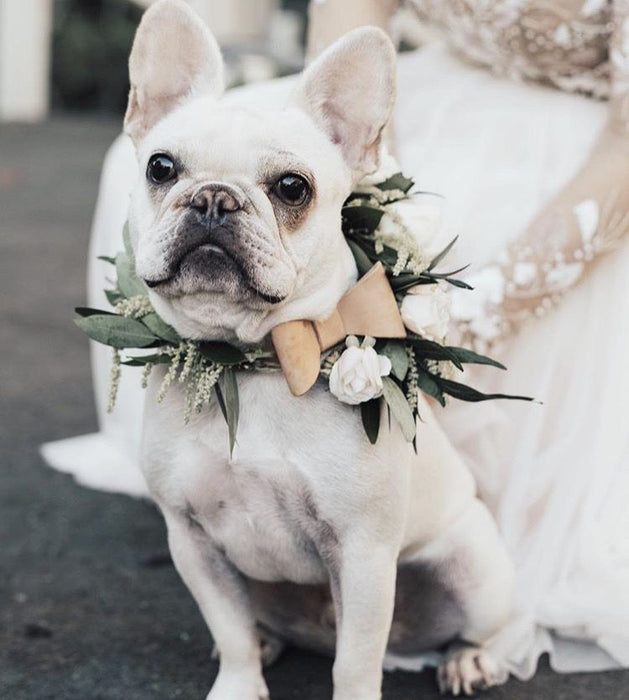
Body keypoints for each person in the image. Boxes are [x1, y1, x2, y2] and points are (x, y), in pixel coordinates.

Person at [43, 0, 629, 682]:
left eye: (286, 190)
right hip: (411, 84)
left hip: (584, 143)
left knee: (397, 533)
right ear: (144, 110)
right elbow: (350, 26)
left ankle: (460, 644)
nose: (212, 209)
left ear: (354, 147)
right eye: (167, 172)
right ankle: (243, 650)